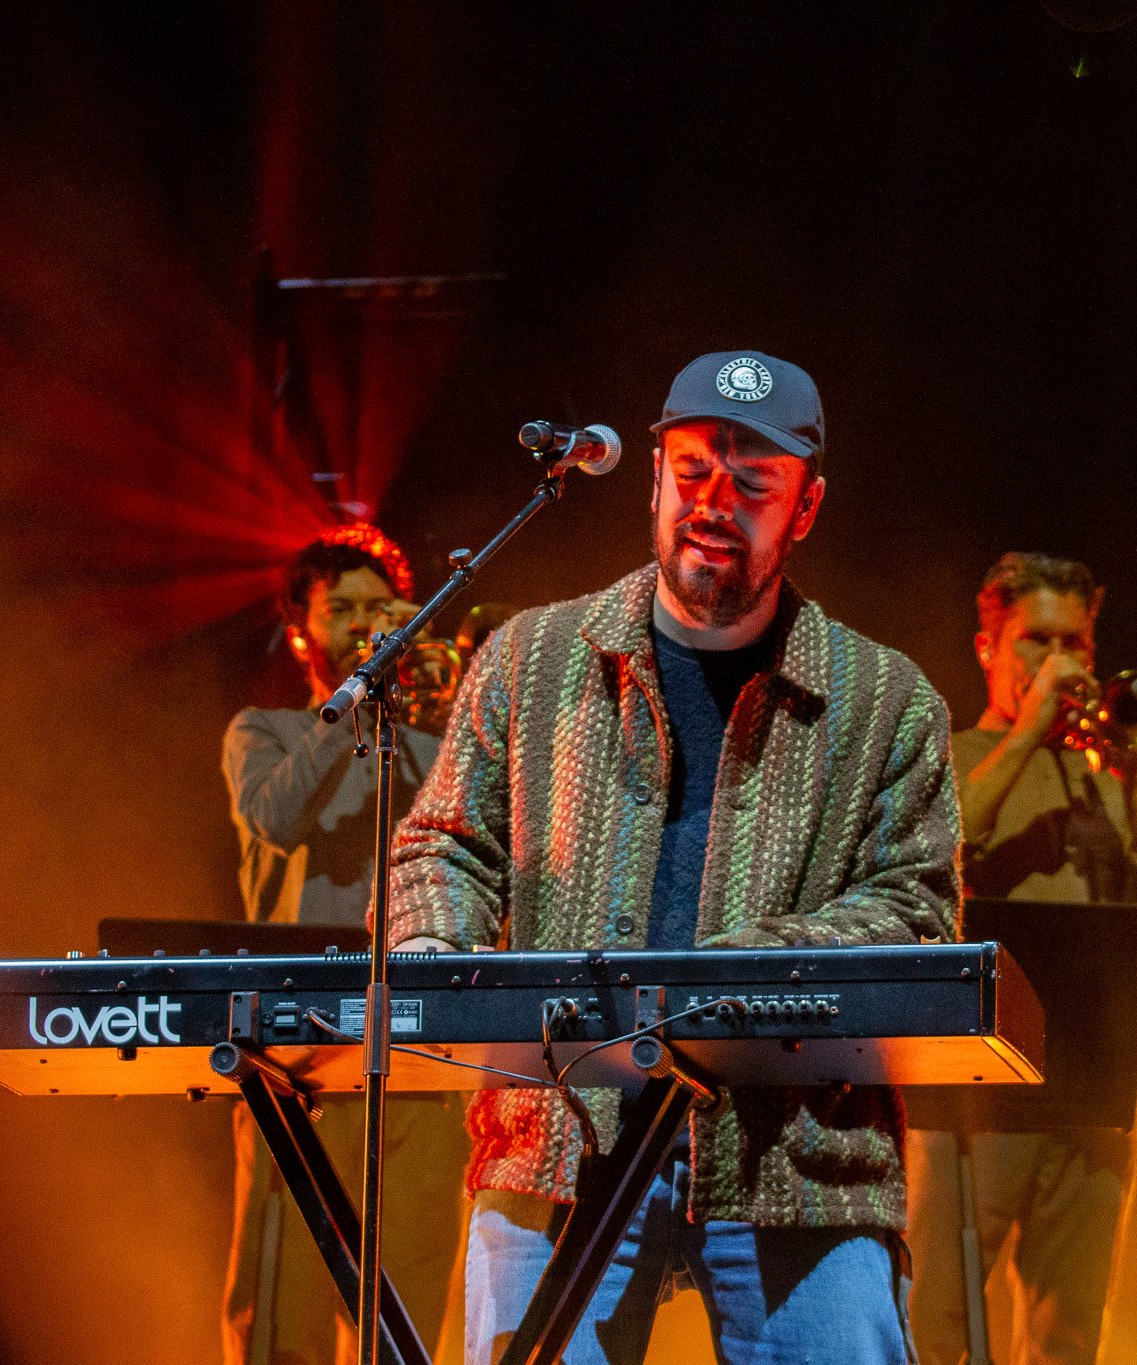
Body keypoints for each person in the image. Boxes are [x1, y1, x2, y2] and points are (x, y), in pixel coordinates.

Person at [385, 351, 962, 1365]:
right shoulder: (531, 659)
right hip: (557, 1142)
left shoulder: (886, 700)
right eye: (693, 469)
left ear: (806, 508)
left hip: (801, 1160)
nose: (714, 502)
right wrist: (441, 953)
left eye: (752, 482)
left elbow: (915, 911)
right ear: (651, 476)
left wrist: (730, 972)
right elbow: (442, 844)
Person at [905, 552, 1137, 1365]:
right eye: (1035, 642)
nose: (1057, 664)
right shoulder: (950, 750)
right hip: (970, 1081)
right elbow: (932, 856)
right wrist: (1029, 734)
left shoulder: (1117, 777)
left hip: (1096, 1079)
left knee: (1070, 1336)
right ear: (987, 647)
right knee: (940, 1324)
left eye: (1073, 644)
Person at [220, 525, 471, 1365]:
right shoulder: (264, 732)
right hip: (296, 1063)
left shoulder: (435, 750)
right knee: (280, 1325)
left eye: (383, 610)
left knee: (407, 1326)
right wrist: (360, 695)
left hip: (422, 1061)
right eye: (346, 611)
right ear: (302, 627)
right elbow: (278, 816)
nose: (368, 627)